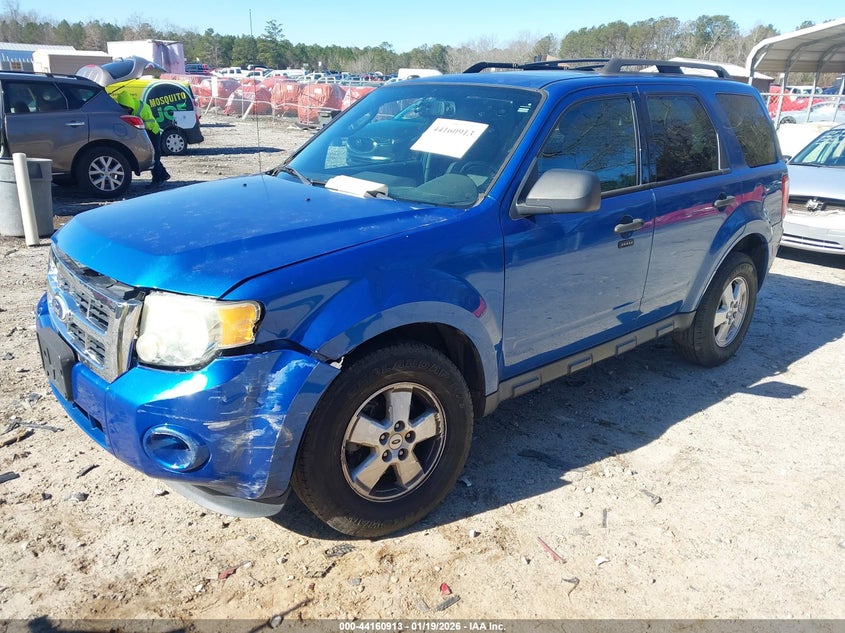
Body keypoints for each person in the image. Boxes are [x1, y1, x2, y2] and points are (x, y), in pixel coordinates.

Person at [115, 90, 171, 187]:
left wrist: (138, 123)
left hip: (153, 131)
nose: (126, 111)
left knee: (155, 156)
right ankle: (163, 174)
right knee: (152, 156)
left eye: (127, 109)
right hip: (143, 131)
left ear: (129, 106)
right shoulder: (125, 106)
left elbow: (151, 123)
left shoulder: (142, 108)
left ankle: (157, 180)